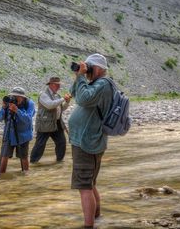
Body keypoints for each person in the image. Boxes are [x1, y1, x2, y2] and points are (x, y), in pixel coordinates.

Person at [69, 53, 113, 229]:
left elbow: (83, 99)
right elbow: (74, 93)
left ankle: (89, 225)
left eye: (89, 67)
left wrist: (81, 76)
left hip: (87, 143)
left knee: (84, 186)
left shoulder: (103, 84)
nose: (87, 70)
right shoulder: (96, 84)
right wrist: (78, 76)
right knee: (90, 183)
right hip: (88, 141)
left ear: (99, 69)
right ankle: (97, 217)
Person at [30, 77, 71, 163]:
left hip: (56, 123)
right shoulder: (43, 94)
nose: (59, 87)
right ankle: (33, 162)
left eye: (59, 85)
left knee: (62, 142)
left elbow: (62, 108)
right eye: (57, 85)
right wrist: (63, 99)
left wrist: (67, 102)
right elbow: (50, 105)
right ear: (52, 84)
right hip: (45, 124)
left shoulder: (57, 96)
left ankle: (59, 161)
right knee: (40, 145)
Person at [0, 86, 35, 174]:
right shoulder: (9, 103)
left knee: (23, 157)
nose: (15, 98)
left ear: (23, 97)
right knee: (4, 156)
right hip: (9, 134)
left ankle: (26, 176)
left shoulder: (29, 104)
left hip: (24, 135)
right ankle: (1, 176)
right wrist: (3, 107)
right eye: (14, 96)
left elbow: (28, 120)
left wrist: (17, 111)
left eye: (17, 96)